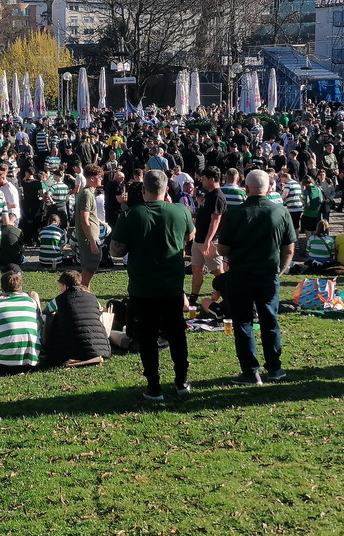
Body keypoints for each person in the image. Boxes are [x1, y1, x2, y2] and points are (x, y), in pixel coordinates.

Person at [110, 170, 195, 401]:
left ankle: (154, 387)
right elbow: (190, 235)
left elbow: (116, 251)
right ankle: (182, 382)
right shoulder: (180, 211)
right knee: (177, 334)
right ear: (166, 189)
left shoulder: (130, 215)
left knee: (147, 337)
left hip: (143, 287)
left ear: (142, 189)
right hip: (172, 287)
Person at [217, 169, 297, 386]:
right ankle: (275, 368)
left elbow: (222, 248)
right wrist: (280, 270)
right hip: (268, 274)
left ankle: (251, 372)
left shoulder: (234, 214)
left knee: (243, 322)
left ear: (246, 188)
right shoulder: (281, 212)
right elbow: (289, 249)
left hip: (240, 274)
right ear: (269, 188)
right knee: (270, 320)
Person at [41, 270, 112, 367]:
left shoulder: (58, 300)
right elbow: (100, 311)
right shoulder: (93, 298)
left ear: (65, 286)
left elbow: (45, 312)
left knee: (50, 316)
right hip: (100, 351)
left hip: (68, 352)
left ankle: (45, 346)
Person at [190, 167, 226, 305]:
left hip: (210, 241)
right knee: (196, 268)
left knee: (217, 271)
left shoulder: (217, 196)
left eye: (204, 178)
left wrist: (208, 241)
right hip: (199, 239)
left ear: (212, 179)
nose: (201, 180)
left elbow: (215, 221)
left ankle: (229, 297)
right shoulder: (209, 194)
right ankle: (193, 298)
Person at [74, 164, 104, 288]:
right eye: (99, 176)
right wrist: (92, 242)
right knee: (88, 270)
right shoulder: (87, 194)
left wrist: (102, 222)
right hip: (88, 239)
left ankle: (86, 293)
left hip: (89, 237)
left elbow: (90, 215)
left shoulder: (87, 192)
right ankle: (83, 294)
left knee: (89, 270)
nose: (101, 179)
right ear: (92, 178)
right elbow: (84, 219)